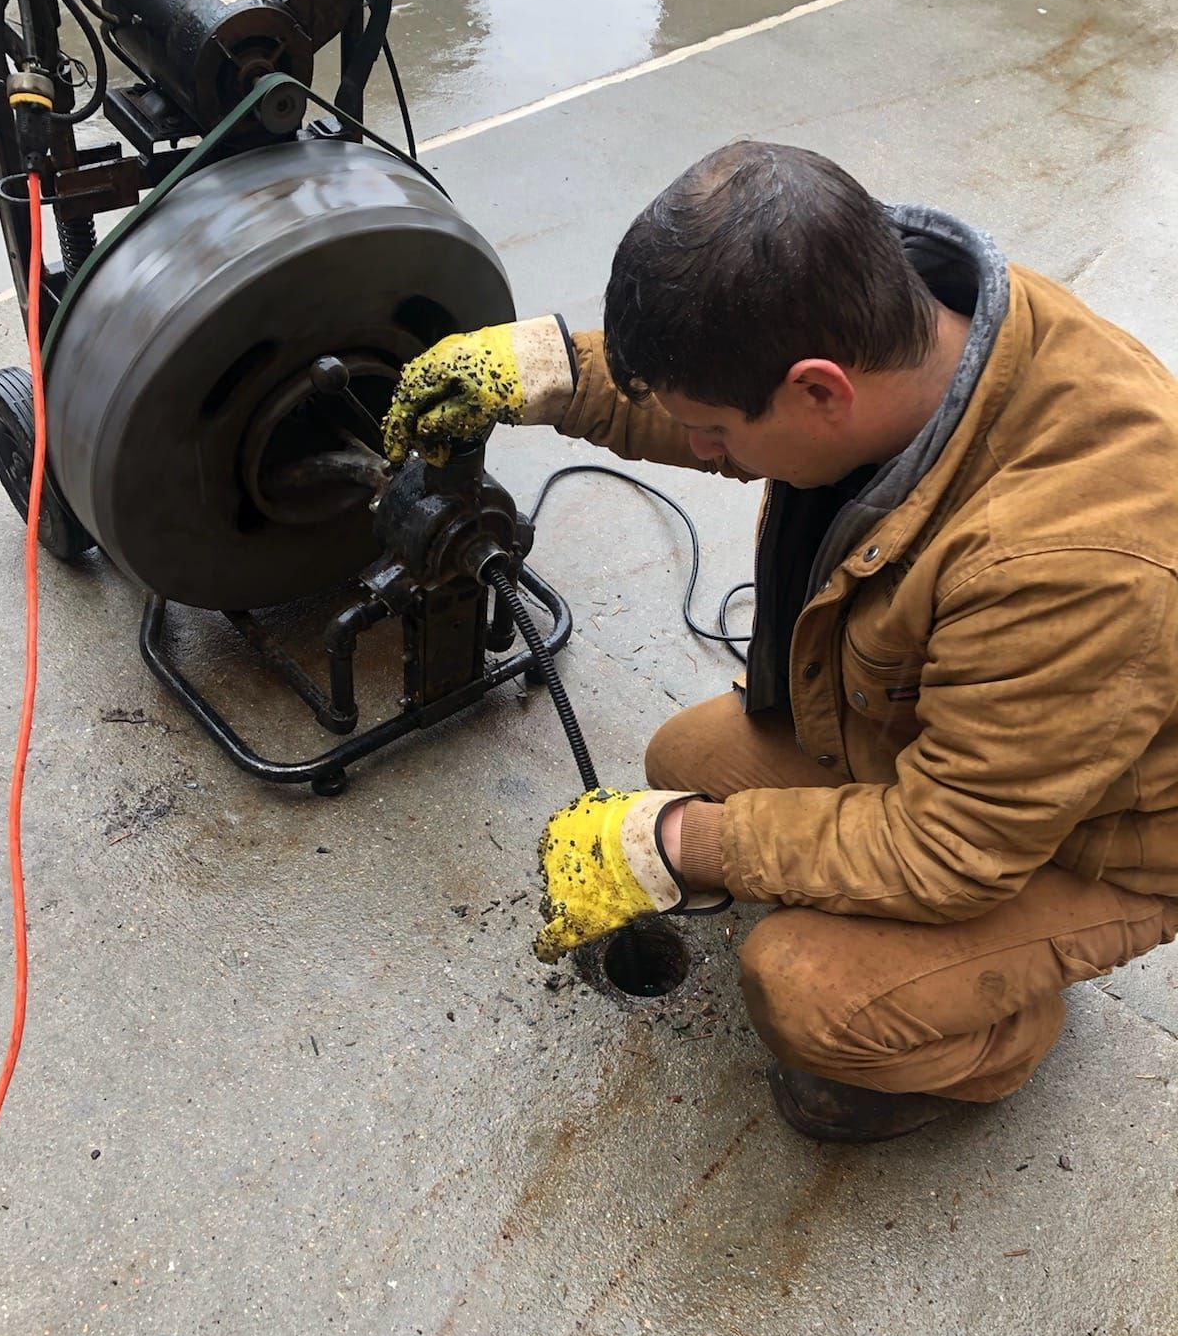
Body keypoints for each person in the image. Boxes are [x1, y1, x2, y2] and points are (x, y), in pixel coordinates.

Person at [381, 142, 1178, 1143]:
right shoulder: (914, 326)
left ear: (820, 393)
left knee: (803, 989)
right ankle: (939, 954)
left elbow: (954, 847)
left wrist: (678, 845)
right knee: (686, 763)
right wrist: (543, 372)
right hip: (970, 738)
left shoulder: (1065, 562)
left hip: (1097, 840)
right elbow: (715, 396)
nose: (707, 454)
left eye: (716, 435)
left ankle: (1005, 1029)